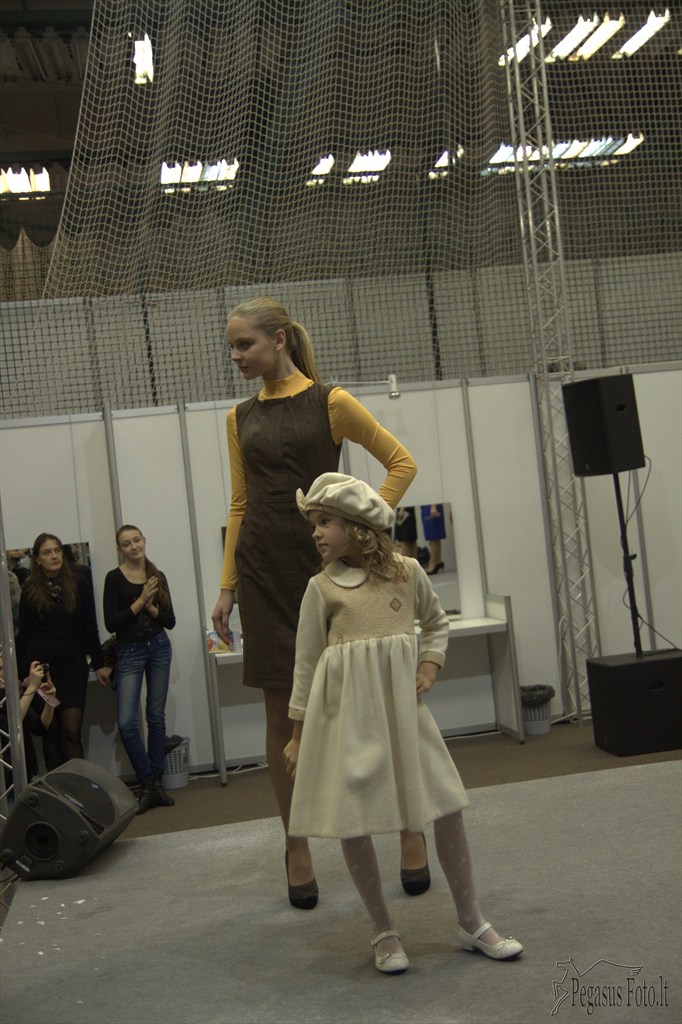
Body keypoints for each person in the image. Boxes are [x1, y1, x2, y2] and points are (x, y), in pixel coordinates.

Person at [211, 296, 427, 909]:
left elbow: (401, 464)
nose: (235, 356)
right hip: (264, 572)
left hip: (333, 573)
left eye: (244, 344)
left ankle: (410, 831)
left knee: (375, 707)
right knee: (282, 717)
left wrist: (362, 526)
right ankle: (296, 845)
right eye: (231, 346)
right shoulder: (237, 418)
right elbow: (240, 503)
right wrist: (227, 585)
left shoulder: (332, 402)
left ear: (279, 339)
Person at [284, 473, 523, 974]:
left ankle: (471, 920)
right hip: (348, 725)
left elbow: (435, 622)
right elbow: (305, 665)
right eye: (314, 524)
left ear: (357, 526)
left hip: (405, 718)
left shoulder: (407, 572)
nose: (316, 533)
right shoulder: (320, 588)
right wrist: (298, 735)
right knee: (355, 821)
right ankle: (383, 930)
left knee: (447, 806)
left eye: (324, 522)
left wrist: (429, 665)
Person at [16, 533, 111, 770]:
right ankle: (56, 789)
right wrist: (18, 673)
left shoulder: (79, 582)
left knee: (71, 730)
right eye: (47, 552)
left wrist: (99, 663)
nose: (54, 556)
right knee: (51, 731)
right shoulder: (30, 589)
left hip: (72, 667)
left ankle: (77, 785)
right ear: (37, 559)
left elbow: (90, 626)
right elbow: (24, 634)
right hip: (42, 669)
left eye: (57, 550)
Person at [103, 525, 176, 814]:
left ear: (144, 541)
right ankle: (147, 782)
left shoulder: (158, 576)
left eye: (137, 540)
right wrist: (141, 601)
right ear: (120, 549)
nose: (134, 546)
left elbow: (170, 621)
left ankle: (155, 783)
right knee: (127, 723)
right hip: (130, 651)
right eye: (127, 543)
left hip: (158, 647)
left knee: (156, 716)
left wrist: (152, 608)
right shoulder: (114, 578)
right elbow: (111, 623)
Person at [0, 645, 58, 782]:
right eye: (0, 669)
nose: (4, 673)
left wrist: (50, 700)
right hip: (5, 780)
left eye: (5, 668)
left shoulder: (11, 693)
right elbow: (9, 726)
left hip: (25, 773)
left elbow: (40, 727)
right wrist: (32, 687)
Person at [421, 503, 446, 574]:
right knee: (433, 535)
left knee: (433, 535)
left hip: (431, 506)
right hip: (427, 506)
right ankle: (438, 560)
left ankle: (433, 562)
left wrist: (433, 506)